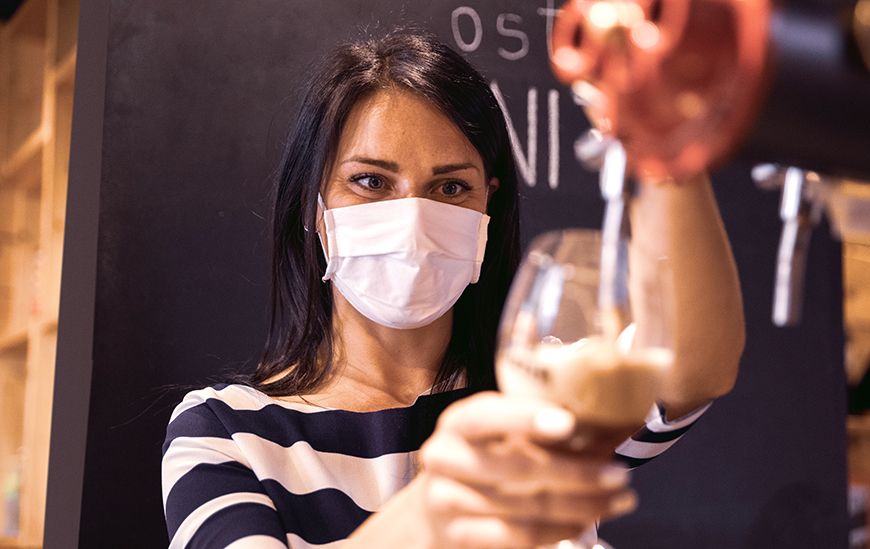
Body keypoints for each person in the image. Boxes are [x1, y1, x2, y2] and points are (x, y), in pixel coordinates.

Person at [161, 31, 745, 549]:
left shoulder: (544, 394)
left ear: (487, 206)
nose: (412, 215)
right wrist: (434, 517)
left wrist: (665, 136)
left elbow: (695, 367)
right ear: (316, 209)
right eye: (370, 181)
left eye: (449, 188)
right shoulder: (226, 432)